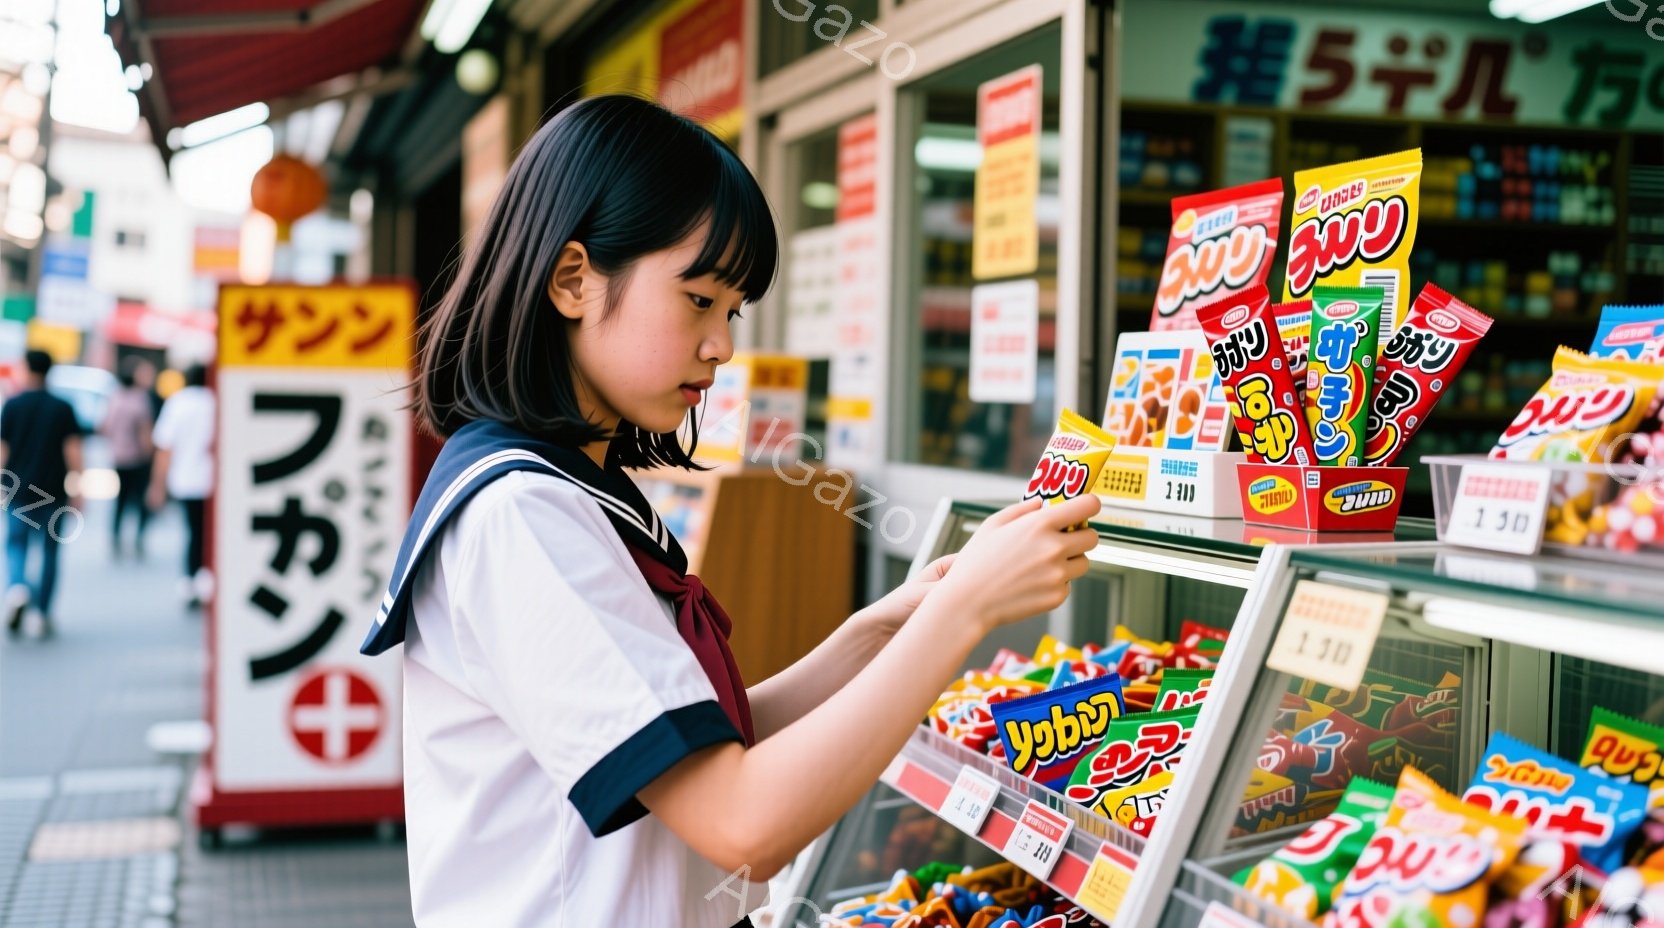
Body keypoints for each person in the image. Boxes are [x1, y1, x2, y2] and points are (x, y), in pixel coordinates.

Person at [358, 95, 1101, 928]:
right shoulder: (520, 514)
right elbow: (742, 823)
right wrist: (962, 614)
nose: (723, 344)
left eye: (733, 309)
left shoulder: (561, 486)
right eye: (700, 300)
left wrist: (883, 629)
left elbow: (692, 740)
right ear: (574, 279)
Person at [0, 350, 84, 636]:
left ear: (26, 369)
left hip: (17, 491)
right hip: (52, 493)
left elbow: (3, 450)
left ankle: (18, 587)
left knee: (15, 544)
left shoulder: (12, 405)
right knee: (49, 553)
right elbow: (73, 450)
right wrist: (79, 488)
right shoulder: (62, 407)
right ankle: (42, 613)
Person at [148, 364, 214, 608]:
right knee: (209, 533)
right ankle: (205, 578)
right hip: (213, 481)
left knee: (192, 531)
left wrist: (157, 485)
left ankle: (189, 579)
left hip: (185, 479)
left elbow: (165, 448)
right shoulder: (216, 402)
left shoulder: (178, 403)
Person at [102, 357, 156, 558]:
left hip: (118, 457)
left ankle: (116, 537)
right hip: (138, 458)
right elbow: (145, 430)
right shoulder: (140, 399)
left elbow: (105, 427)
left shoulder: (114, 397)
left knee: (121, 500)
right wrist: (150, 454)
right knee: (140, 500)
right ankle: (138, 538)